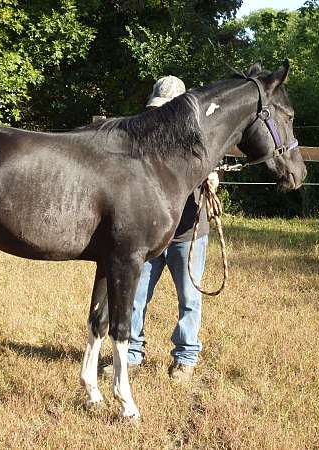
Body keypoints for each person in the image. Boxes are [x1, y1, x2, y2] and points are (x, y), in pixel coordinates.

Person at [102, 75, 219, 382]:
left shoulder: (198, 143)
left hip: (188, 234)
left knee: (189, 298)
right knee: (137, 294)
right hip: (148, 231)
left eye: (166, 109)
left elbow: (213, 172)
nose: (160, 115)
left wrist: (212, 178)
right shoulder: (144, 142)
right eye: (157, 108)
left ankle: (186, 356)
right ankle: (132, 352)